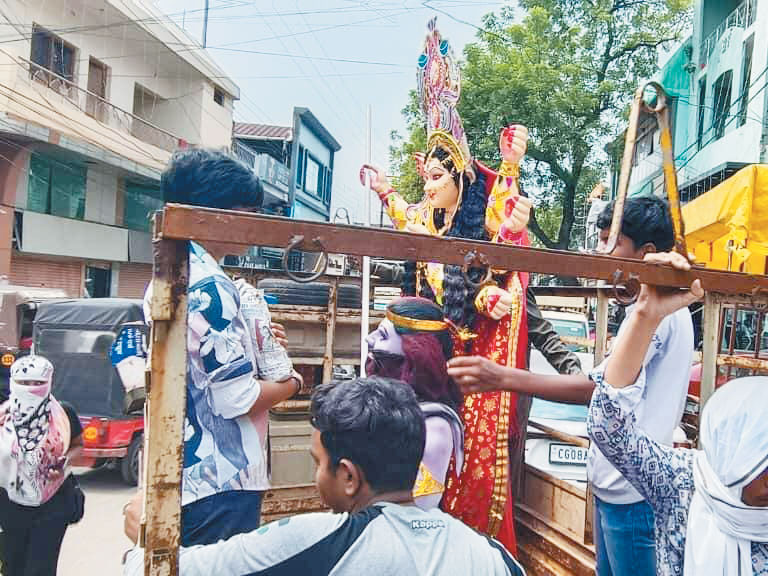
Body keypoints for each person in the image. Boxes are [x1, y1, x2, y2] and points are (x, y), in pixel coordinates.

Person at [449, 196, 696, 576]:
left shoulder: (657, 316)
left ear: (645, 252)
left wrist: (501, 377)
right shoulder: (644, 310)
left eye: (610, 241)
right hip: (617, 485)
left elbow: (598, 391)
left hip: (633, 493)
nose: (599, 251)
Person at [359, 19, 532, 550]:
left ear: (460, 179)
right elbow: (403, 214)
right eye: (425, 178)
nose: (428, 186)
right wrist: (384, 189)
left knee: (458, 455)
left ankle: (461, 545)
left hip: (465, 362)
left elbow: (499, 251)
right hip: (426, 363)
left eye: (436, 178)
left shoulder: (478, 223)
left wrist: (510, 167)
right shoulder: (426, 220)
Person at [588, 250, 768, 575]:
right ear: (729, 454)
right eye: (760, 463)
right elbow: (609, 429)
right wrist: (645, 315)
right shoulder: (685, 487)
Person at [122, 376, 524, 575]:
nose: (316, 476)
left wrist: (141, 540)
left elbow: (170, 570)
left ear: (349, 477)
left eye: (318, 462)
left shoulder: (318, 538)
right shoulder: (495, 557)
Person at [143, 148, 303, 547]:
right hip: (221, 481)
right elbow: (238, 399)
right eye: (249, 212)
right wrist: (294, 384)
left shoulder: (175, 272)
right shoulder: (212, 288)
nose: (255, 224)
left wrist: (251, 344)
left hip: (183, 472)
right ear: (216, 214)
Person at [365, 297, 465, 509]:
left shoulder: (433, 426)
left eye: (382, 335)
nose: (369, 339)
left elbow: (422, 504)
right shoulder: (387, 404)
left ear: (414, 349)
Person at [0, 355, 85, 576]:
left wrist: (64, 462)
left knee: (40, 569)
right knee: (12, 567)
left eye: (38, 383)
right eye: (24, 382)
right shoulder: (3, 417)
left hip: (53, 504)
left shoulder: (63, 414)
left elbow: (78, 445)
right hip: (10, 504)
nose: (31, 388)